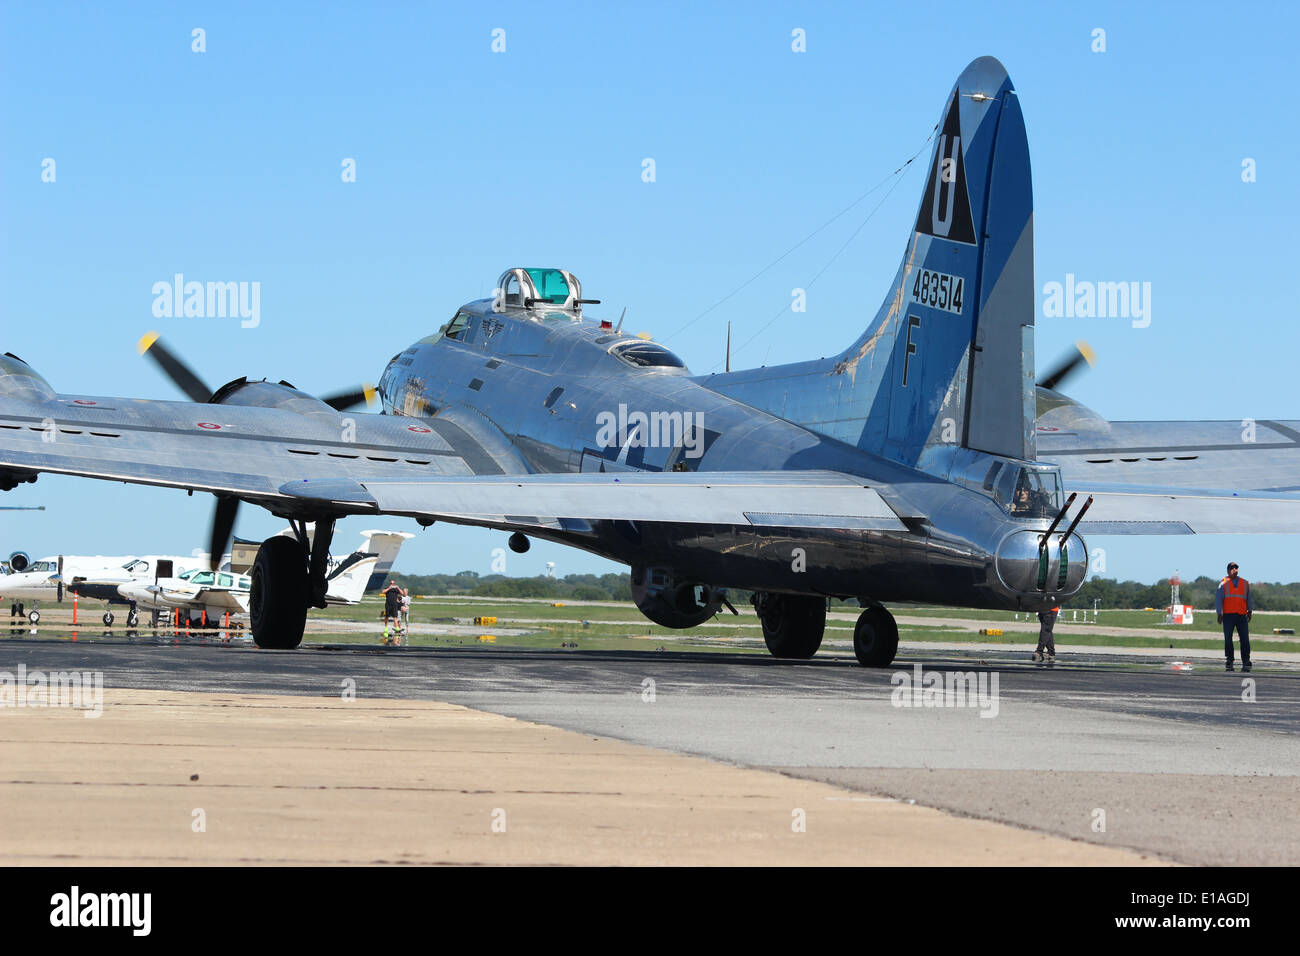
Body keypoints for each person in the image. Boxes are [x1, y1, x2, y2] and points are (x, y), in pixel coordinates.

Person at [1216, 562, 1252, 672]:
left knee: (1245, 639)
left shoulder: (1245, 583)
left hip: (1241, 615)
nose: (1234, 570)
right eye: (1232, 568)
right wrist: (1219, 613)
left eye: (1236, 568)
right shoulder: (1223, 584)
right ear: (1228, 570)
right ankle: (1230, 660)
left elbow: (1248, 598)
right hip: (1228, 615)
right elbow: (1219, 599)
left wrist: (1250, 610)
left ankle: (1246, 660)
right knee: (1228, 639)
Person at [382, 580, 405, 645]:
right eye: (391, 583)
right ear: (390, 583)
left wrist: (398, 587)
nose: (392, 584)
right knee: (387, 616)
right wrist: (389, 588)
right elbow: (383, 592)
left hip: (394, 604)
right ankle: (386, 628)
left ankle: (397, 628)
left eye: (393, 583)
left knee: (395, 617)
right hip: (388, 604)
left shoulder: (396, 589)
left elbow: (402, 593)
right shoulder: (387, 588)